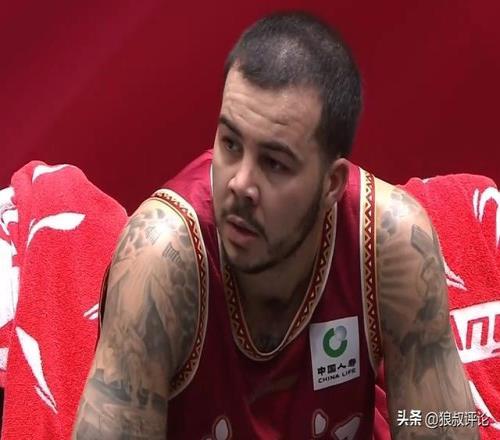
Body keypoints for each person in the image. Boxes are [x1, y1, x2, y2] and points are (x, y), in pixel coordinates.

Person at [73, 11, 478, 439]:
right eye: (230, 143)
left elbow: (440, 425)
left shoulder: (392, 245)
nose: (240, 184)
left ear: (332, 184)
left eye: (275, 163)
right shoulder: (160, 259)